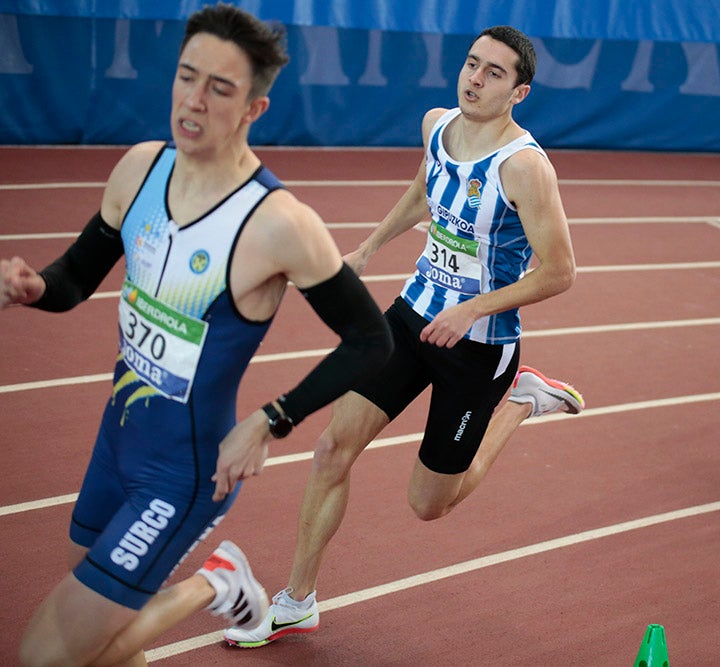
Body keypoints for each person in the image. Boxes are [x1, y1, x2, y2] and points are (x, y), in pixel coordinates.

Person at [5, 5, 392, 665]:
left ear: (255, 108)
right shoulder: (139, 169)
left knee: (48, 655)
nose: (193, 100)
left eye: (220, 88)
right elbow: (75, 275)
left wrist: (272, 419)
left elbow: (371, 339)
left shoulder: (278, 223)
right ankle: (213, 581)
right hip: (116, 439)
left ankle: (215, 581)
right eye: (187, 77)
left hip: (182, 473)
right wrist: (36, 288)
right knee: (96, 645)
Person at [223, 25, 583, 647]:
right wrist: (366, 248)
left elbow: (560, 272)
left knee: (428, 504)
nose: (475, 79)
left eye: (494, 73)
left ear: (518, 92)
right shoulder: (437, 126)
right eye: (472, 64)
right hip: (412, 316)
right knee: (333, 448)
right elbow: (424, 193)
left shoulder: (525, 169)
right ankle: (298, 599)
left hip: (478, 347)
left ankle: (521, 401)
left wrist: (473, 310)